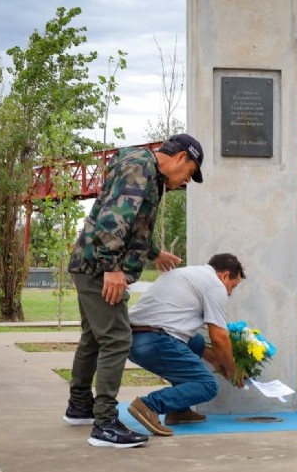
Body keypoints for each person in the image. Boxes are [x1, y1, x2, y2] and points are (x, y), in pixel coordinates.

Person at [64, 133, 204, 448]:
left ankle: (79, 406)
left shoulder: (147, 173)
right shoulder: (140, 165)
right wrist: (111, 268)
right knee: (117, 339)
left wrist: (155, 253)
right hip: (100, 268)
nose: (186, 181)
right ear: (180, 157)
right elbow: (113, 218)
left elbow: (134, 223)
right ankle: (105, 425)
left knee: (94, 339)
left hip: (89, 265)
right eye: (190, 173)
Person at [125, 254, 246, 436]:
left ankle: (179, 410)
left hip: (132, 339)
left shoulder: (188, 274)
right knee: (207, 385)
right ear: (224, 276)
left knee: (196, 341)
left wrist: (216, 360)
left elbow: (199, 342)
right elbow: (219, 336)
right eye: (233, 286)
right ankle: (149, 405)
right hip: (155, 340)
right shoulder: (215, 285)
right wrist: (231, 368)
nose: (229, 293)